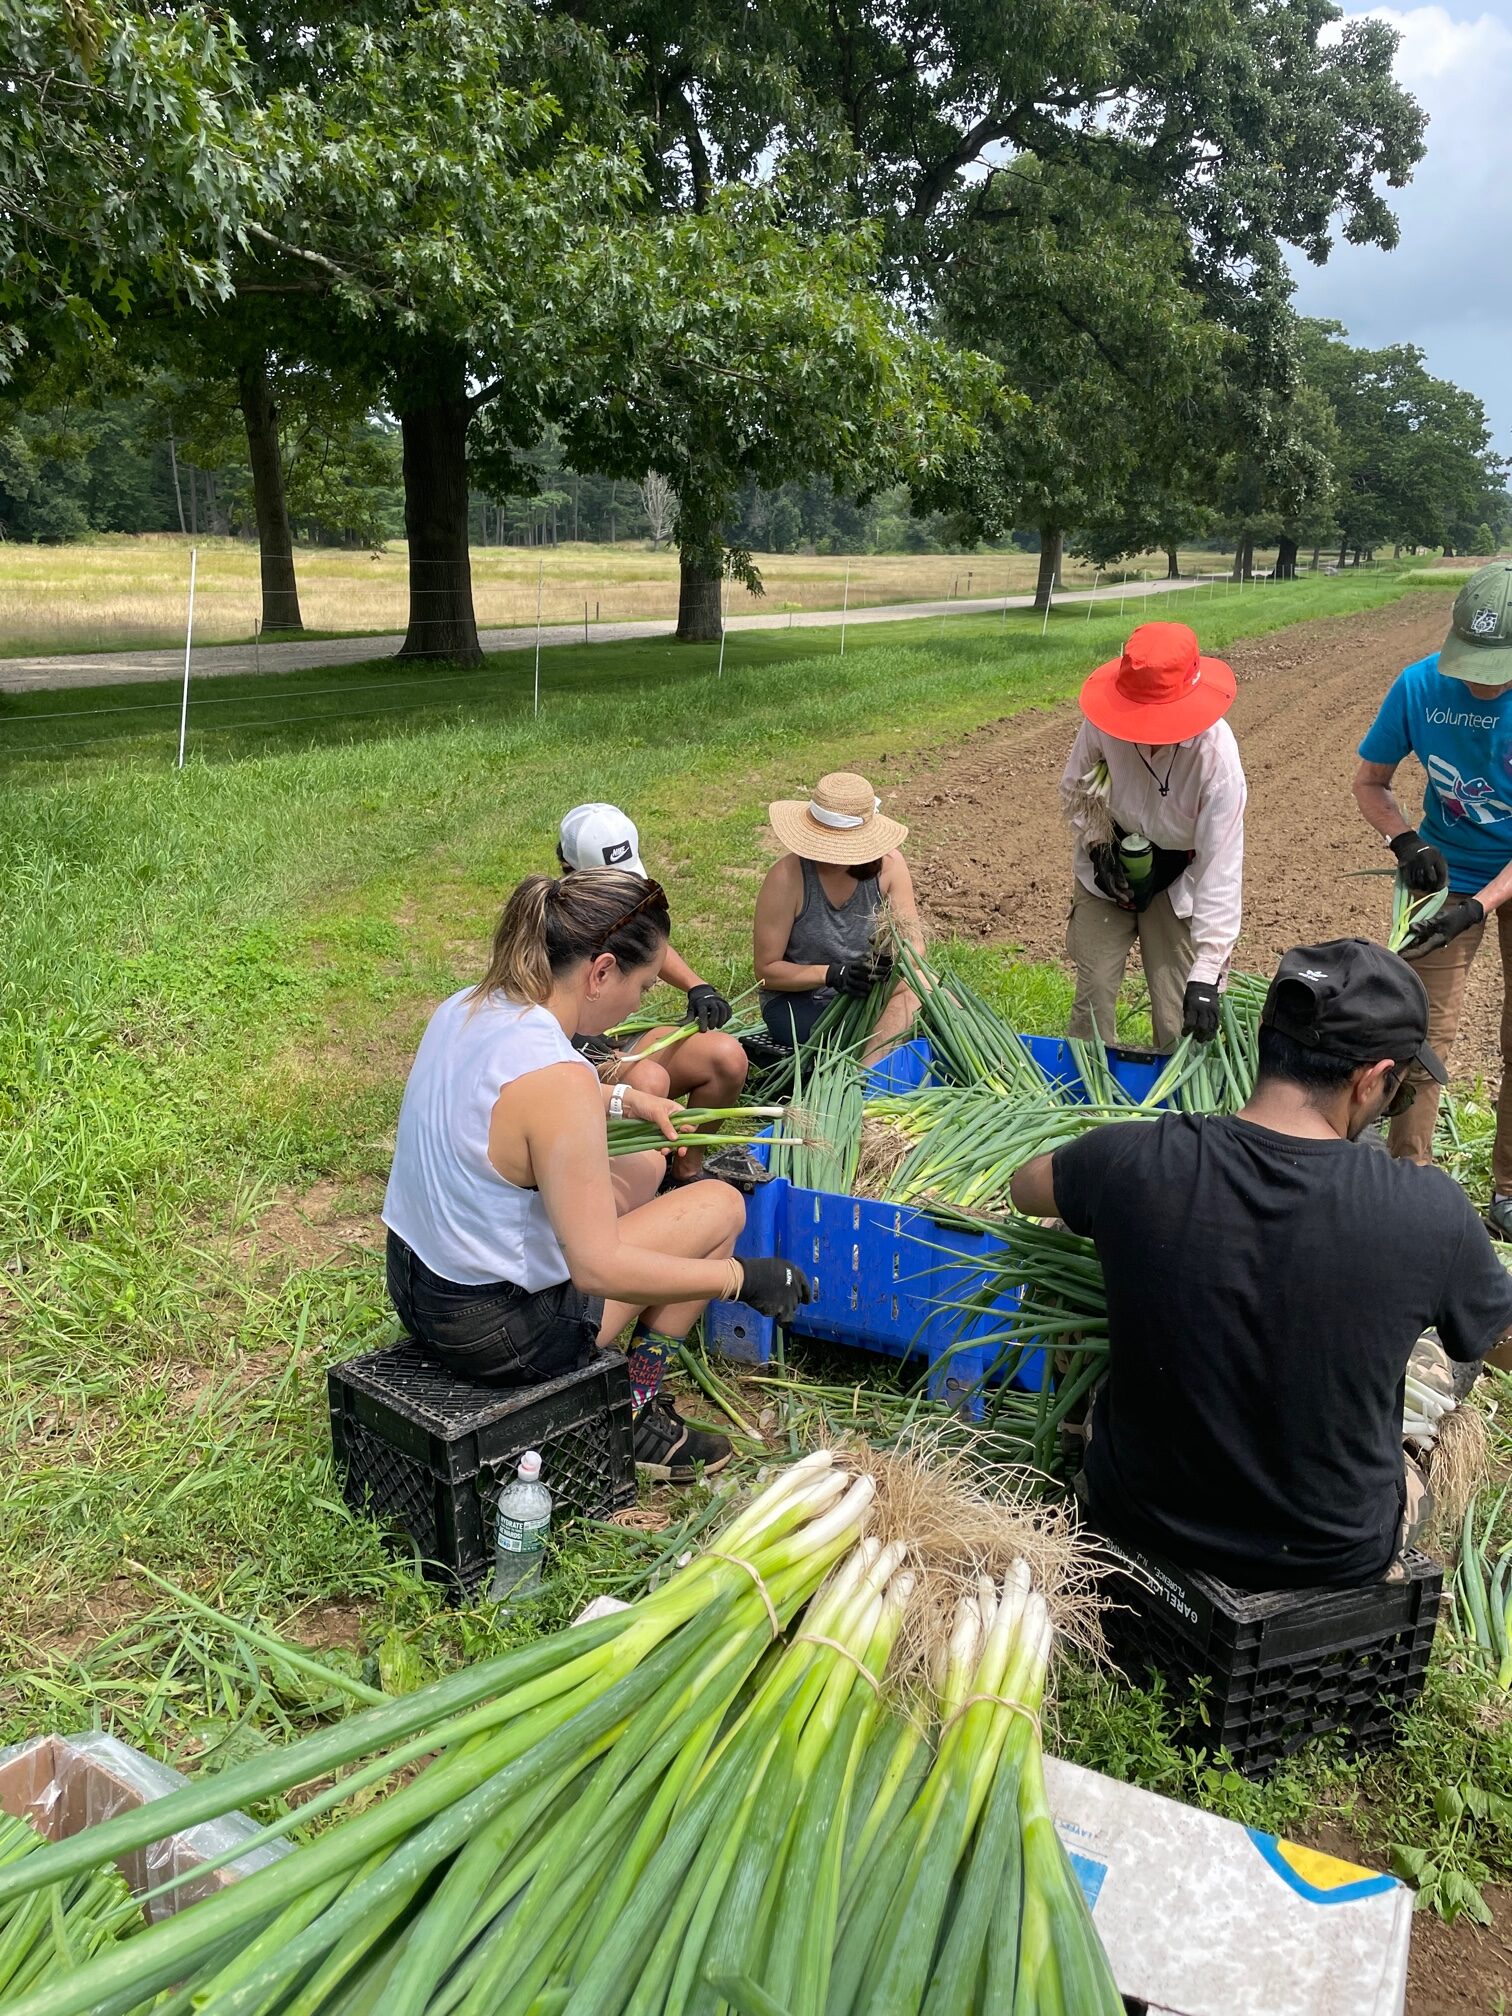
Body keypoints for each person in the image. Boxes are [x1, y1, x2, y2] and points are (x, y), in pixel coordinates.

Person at [1009, 940, 1512, 1590]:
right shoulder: (1428, 1211)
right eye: (1397, 1090)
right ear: (1368, 1080)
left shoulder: (1136, 1159)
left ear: (1265, 1040)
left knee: (1075, 1236)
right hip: (1332, 1552)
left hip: (1137, 1515)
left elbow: (1027, 1189)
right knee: (1444, 1364)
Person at [383, 869, 813, 1483]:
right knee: (718, 1206)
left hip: (417, 1283)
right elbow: (596, 1269)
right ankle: (636, 1410)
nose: (638, 1003)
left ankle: (630, 1366)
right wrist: (739, 1278)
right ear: (601, 971)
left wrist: (627, 1102)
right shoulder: (555, 1077)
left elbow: (514, 1113)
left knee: (641, 1163)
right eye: (640, 984)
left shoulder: (469, 1005)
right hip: (496, 1334)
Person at [1354, 561, 1512, 1234]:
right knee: (1419, 1033)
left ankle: (1508, 1188)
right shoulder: (1419, 685)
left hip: (1499, 877)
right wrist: (1408, 844)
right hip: (1446, 870)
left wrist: (1482, 905)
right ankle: (1409, 1186)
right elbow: (1371, 783)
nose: (1482, 677)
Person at [1060, 620, 1246, 1053]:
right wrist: (1098, 845)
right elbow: (1074, 788)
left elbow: (1221, 870)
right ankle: (1086, 1102)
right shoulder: (1104, 723)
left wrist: (1207, 972)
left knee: (1177, 1012)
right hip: (1109, 862)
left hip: (1179, 875)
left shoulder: (1216, 762)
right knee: (1094, 996)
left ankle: (1179, 1111)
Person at [557, 803, 753, 1181]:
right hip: (573, 1059)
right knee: (649, 1081)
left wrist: (698, 987)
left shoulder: (623, 907)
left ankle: (685, 1171)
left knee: (726, 1056)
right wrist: (588, 1050)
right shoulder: (553, 925)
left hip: (610, 1042)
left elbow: (649, 948)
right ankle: (625, 1186)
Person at [754, 770, 924, 1064]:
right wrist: (832, 974)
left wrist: (886, 963)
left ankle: (866, 1078)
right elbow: (766, 972)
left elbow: (916, 947)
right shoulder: (786, 877)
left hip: (867, 992)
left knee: (928, 984)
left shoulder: (890, 867)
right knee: (889, 1028)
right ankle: (870, 1078)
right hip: (801, 1002)